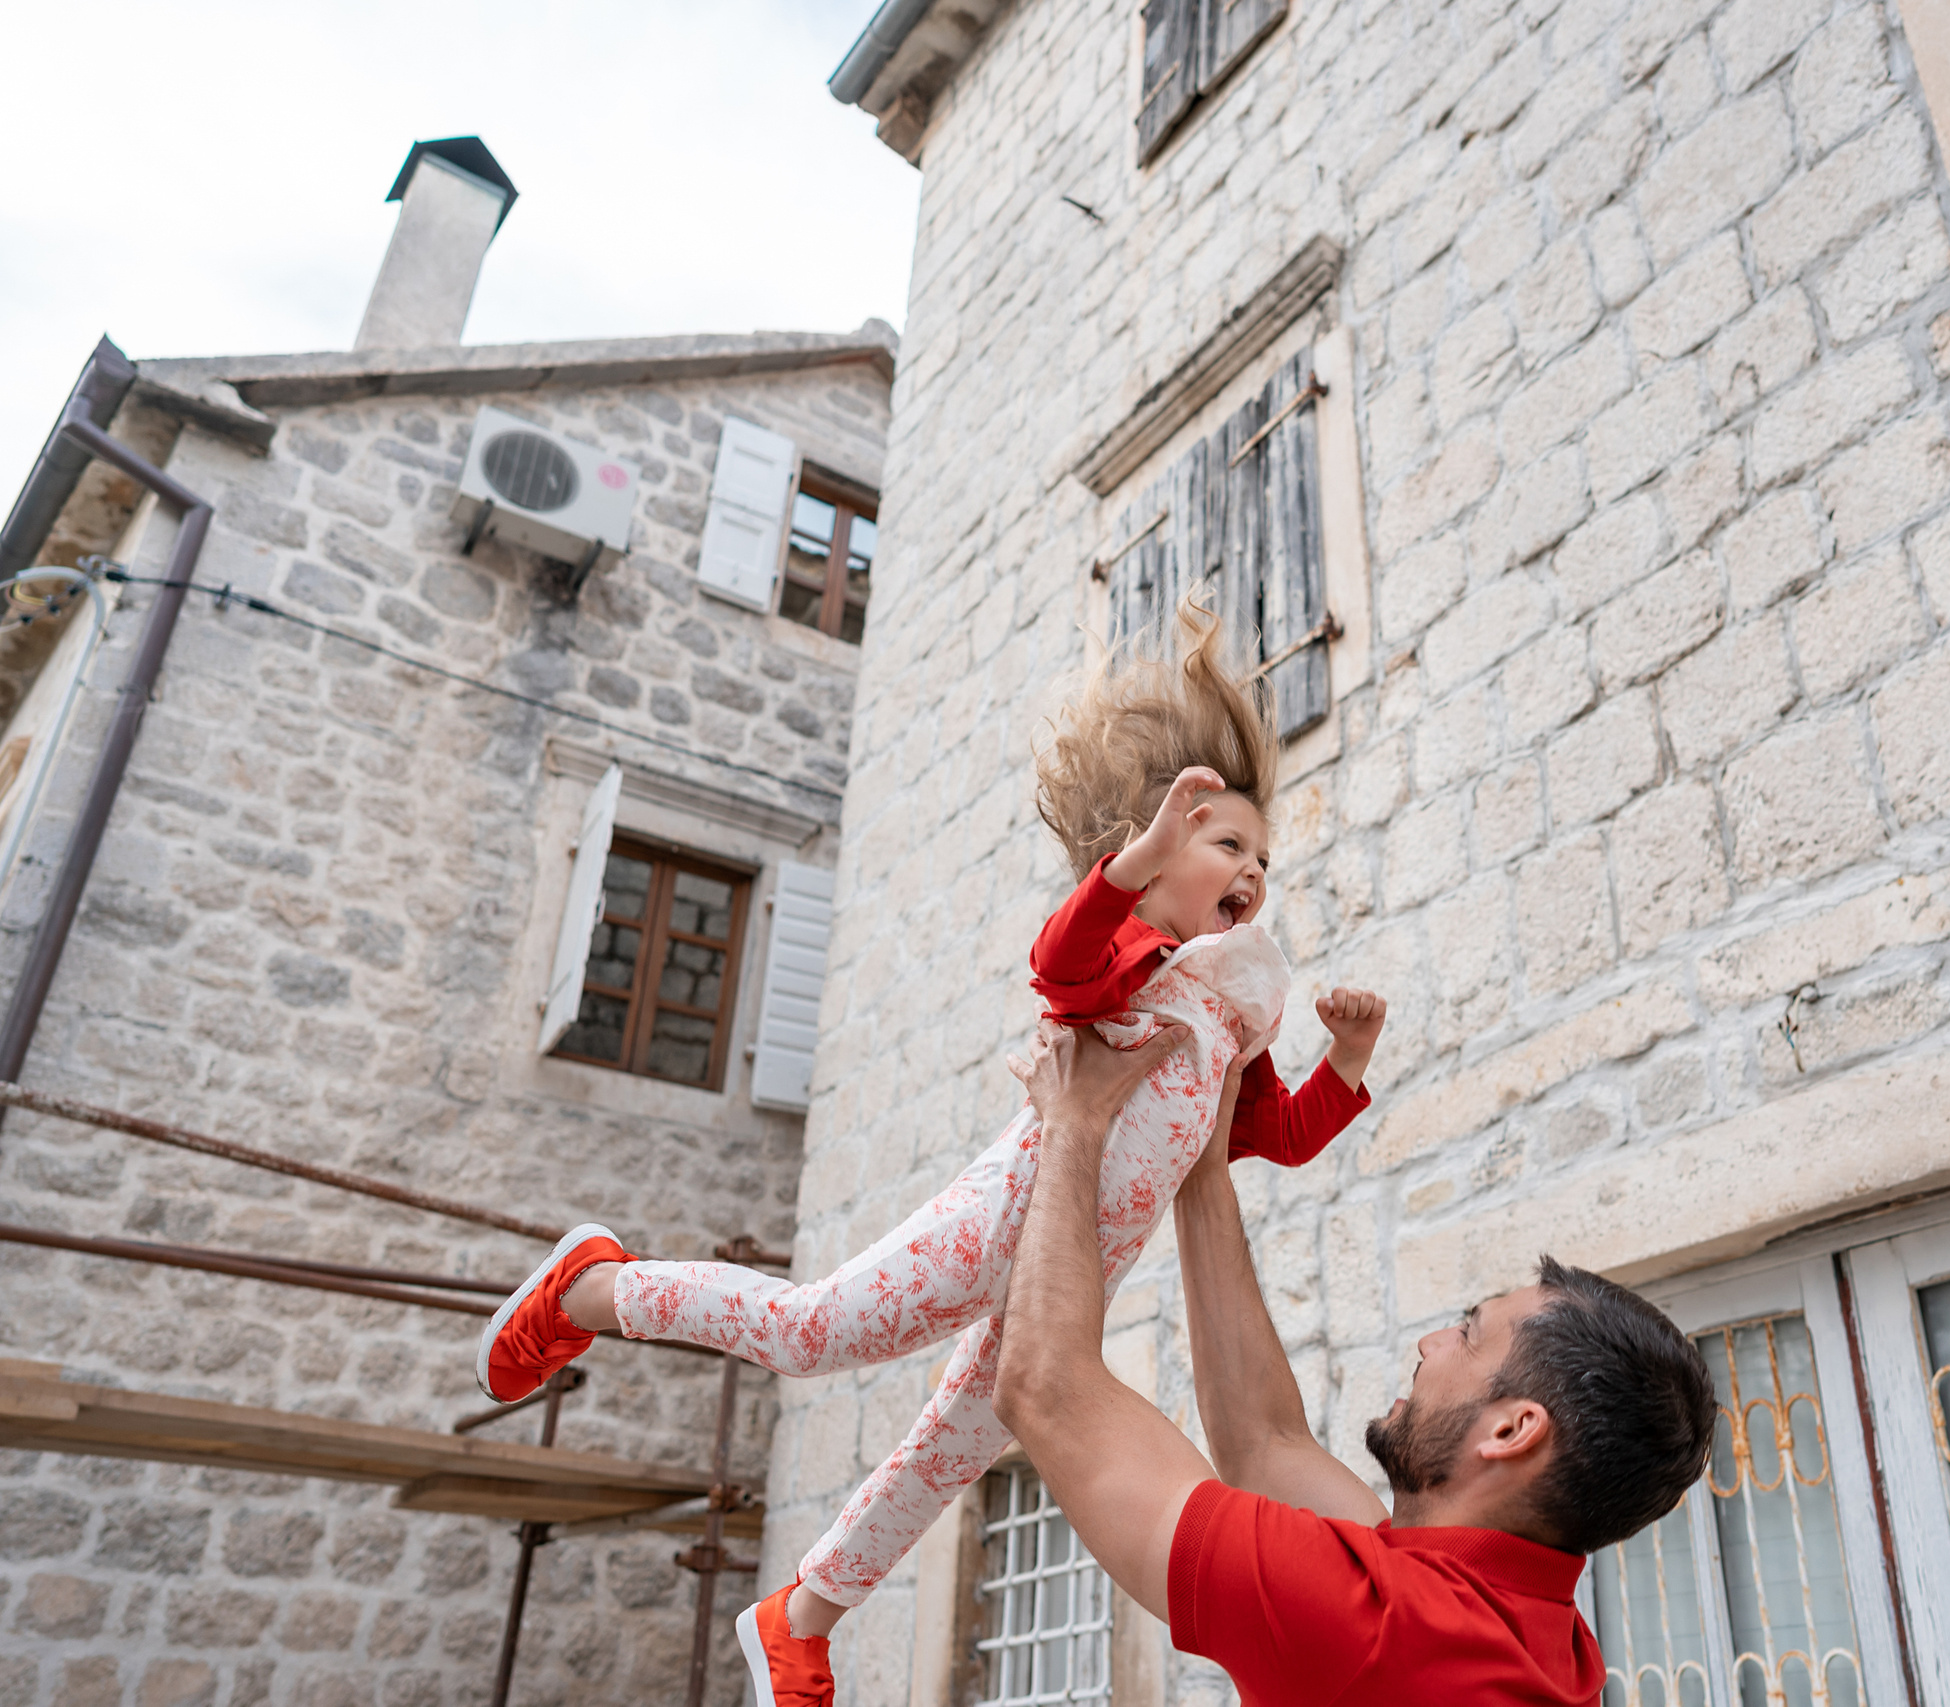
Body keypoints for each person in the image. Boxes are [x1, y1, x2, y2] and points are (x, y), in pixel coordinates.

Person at [468, 609, 1389, 1696]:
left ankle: (799, 1618)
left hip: (1073, 1267)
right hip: (1016, 1209)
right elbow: (1058, 961)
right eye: (1225, 843)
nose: (1253, 870)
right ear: (1142, 859)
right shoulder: (1121, 955)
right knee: (815, 1330)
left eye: (1262, 856)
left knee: (958, 1445)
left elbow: (1267, 1136)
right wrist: (1132, 863)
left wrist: (1346, 1057)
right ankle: (596, 1289)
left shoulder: (1235, 1004)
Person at [991, 1021, 1719, 1706]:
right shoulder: (1528, 1633)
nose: (1431, 1342)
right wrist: (1201, 1161)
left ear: (1513, 1429)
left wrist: (1077, 1118)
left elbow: (1043, 1384)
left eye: (1468, 1333)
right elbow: (1264, 1441)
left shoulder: (1376, 1629)